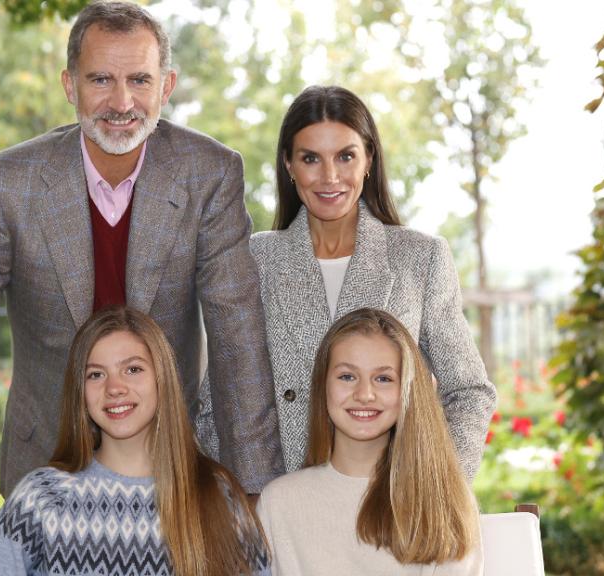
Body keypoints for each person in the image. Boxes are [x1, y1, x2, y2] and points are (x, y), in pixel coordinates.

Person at [0, 3, 284, 575]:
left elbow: (239, 336)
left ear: (167, 86)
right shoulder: (6, 184)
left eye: (139, 80)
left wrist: (255, 490)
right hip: (45, 462)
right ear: (69, 85)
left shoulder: (210, 173)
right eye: (100, 80)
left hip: (172, 472)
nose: (120, 102)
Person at [198, 85, 495, 475]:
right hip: (281, 508)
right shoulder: (255, 261)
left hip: (391, 505)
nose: (329, 176)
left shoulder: (419, 259)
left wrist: (436, 491)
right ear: (288, 164)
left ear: (369, 158)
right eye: (310, 158)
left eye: (345, 156)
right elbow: (217, 402)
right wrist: (250, 502)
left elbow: (469, 391)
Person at [0, 307, 270, 575]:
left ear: (162, 380)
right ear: (80, 394)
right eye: (95, 375)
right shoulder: (41, 498)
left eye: (133, 369)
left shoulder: (218, 494)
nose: (114, 387)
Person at [256, 308, 482, 575]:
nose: (364, 394)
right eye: (347, 376)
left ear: (407, 390)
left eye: (383, 379)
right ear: (323, 384)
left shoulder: (443, 500)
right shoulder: (278, 502)